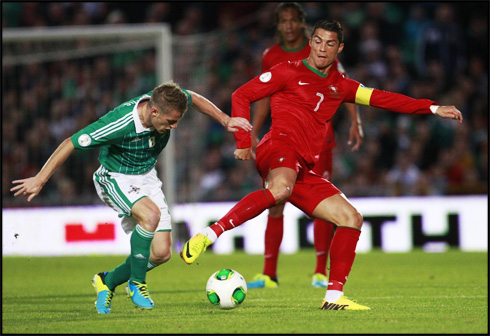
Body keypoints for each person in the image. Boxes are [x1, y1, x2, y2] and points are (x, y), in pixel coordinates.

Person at [180, 19, 463, 310]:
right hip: (276, 146)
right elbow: (241, 94)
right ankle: (208, 234)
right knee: (280, 190)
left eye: (329, 43)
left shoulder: (341, 86)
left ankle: (334, 297)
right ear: (311, 41)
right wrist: (242, 141)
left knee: (351, 218)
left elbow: (384, 99)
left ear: (339, 48)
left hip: (302, 167)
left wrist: (432, 107)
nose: (322, 48)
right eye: (317, 41)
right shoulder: (288, 71)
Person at [10, 81, 252, 314]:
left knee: (161, 254)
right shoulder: (119, 123)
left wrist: (225, 119)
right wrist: (40, 179)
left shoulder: (166, 101)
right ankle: (137, 283)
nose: (174, 126)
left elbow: (192, 96)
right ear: (154, 111)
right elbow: (71, 142)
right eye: (171, 121)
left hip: (146, 177)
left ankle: (107, 280)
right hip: (115, 177)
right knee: (151, 215)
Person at [248, 2, 363, 290]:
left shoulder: (321, 50)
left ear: (302, 23)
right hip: (283, 139)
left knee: (323, 205)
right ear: (277, 25)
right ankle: (269, 274)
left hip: (317, 141)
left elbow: (346, 87)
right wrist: (253, 130)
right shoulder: (272, 56)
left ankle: (319, 272)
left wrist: (355, 122)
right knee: (275, 200)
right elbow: (262, 94)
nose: (288, 26)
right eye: (282, 21)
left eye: (293, 20)